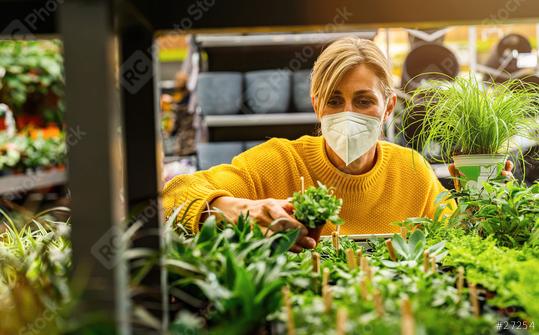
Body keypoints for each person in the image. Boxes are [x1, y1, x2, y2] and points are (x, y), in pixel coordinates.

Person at [163, 37, 512, 252]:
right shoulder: (279, 162)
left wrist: (488, 200)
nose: (348, 114)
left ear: (388, 107)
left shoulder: (411, 171)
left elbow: (461, 242)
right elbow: (173, 196)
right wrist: (236, 210)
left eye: (363, 101)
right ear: (316, 105)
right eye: (333, 101)